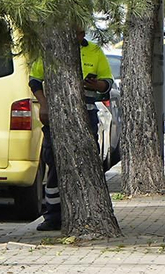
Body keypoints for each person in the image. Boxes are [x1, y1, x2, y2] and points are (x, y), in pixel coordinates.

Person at [29, 29, 114, 232]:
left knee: (87, 161)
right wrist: (44, 104)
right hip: (56, 115)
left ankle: (86, 210)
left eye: (80, 30)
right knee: (55, 165)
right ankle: (53, 216)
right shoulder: (50, 49)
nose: (77, 33)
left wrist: (97, 84)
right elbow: (35, 80)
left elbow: (107, 84)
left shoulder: (94, 51)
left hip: (87, 114)